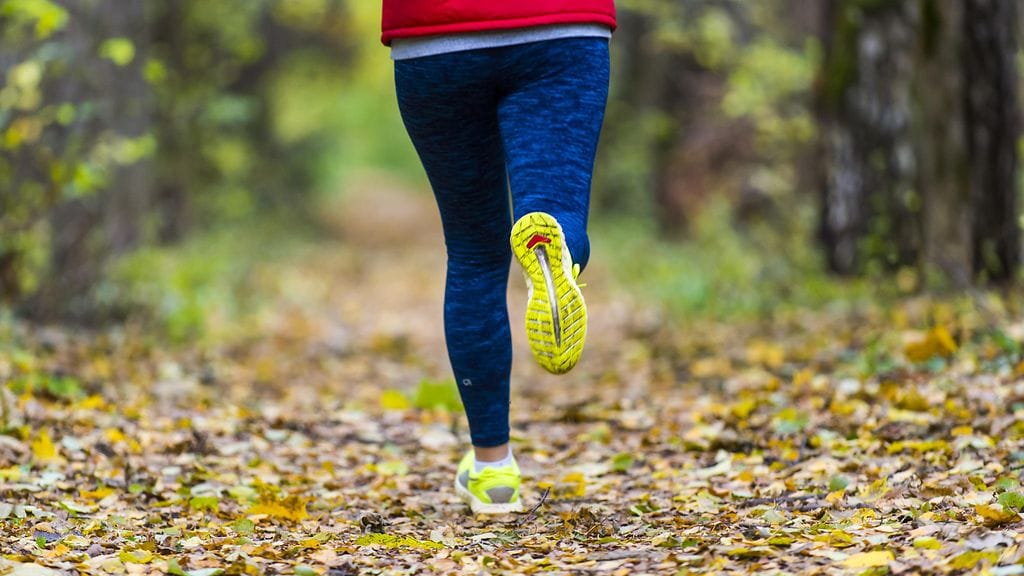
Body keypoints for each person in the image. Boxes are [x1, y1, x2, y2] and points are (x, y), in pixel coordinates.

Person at [382, 0, 615, 514]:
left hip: (433, 38)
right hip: (561, 27)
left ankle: (493, 471)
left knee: (473, 252)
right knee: (554, 206)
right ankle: (556, 244)